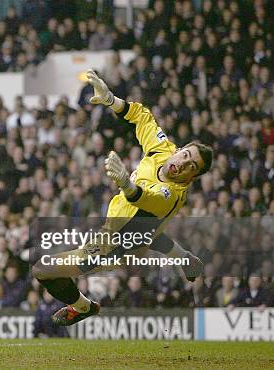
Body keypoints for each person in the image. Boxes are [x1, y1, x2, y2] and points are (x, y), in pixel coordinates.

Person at [32, 70, 213, 326]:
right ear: (180, 149)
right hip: (133, 226)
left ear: (193, 177)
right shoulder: (164, 149)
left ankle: (83, 306)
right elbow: (142, 117)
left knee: (42, 269)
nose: (183, 164)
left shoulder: (171, 194)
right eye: (186, 156)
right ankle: (185, 258)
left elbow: (146, 199)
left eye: (191, 166)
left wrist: (127, 184)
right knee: (147, 229)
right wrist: (111, 100)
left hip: (117, 246)